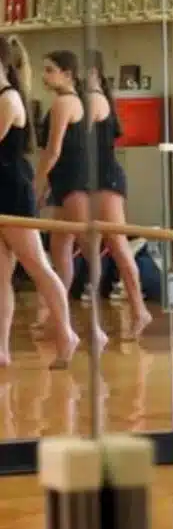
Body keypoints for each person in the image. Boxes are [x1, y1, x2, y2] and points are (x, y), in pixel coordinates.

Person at [35, 50, 146, 344]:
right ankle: (55, 315)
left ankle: (137, 309)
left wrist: (43, 180)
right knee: (61, 245)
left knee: (115, 244)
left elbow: (66, 146)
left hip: (102, 178)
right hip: (79, 179)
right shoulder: (77, 101)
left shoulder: (92, 100)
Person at [0, 36, 79, 367]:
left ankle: (67, 333)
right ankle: (2, 349)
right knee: (0, 274)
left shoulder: (9, 100)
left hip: (13, 191)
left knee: (37, 266)